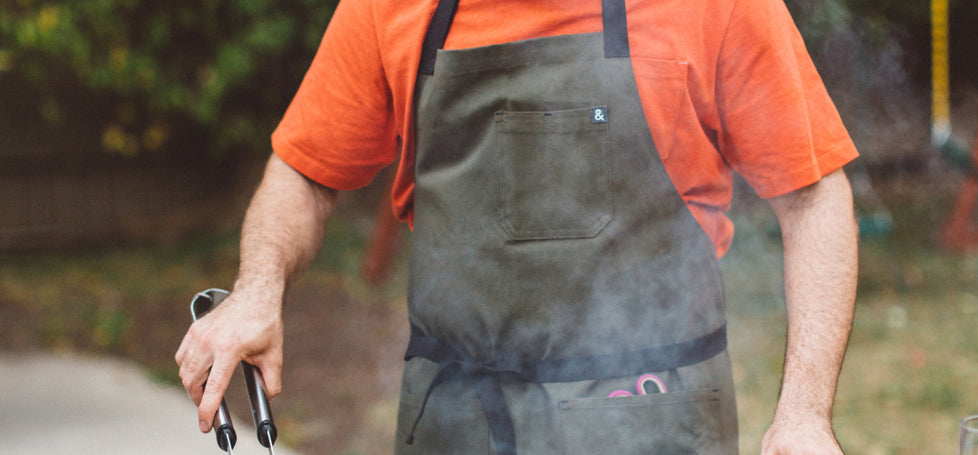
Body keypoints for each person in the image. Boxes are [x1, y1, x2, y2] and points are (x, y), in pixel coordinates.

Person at [175, 0, 858, 453]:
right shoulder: (393, 7)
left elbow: (813, 196)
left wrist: (803, 412)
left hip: (651, 418)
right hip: (457, 420)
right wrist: (258, 288)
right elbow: (305, 170)